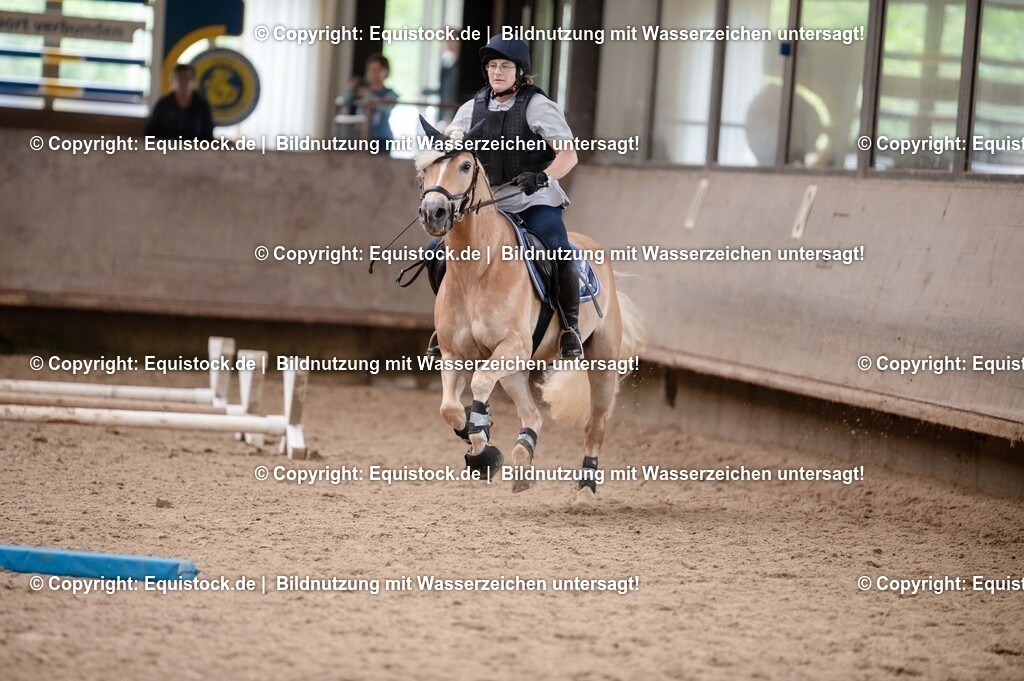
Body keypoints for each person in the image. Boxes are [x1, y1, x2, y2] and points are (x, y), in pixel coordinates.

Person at [425, 34, 583, 359]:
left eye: (505, 66)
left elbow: (569, 155)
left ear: (519, 71)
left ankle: (570, 329)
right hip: (489, 204)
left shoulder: (539, 106)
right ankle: (447, 326)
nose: (497, 72)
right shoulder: (472, 108)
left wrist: (542, 176)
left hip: (534, 200)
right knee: (434, 252)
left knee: (557, 248)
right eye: (492, 66)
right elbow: (453, 150)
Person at [145, 63, 214, 141]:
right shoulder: (163, 105)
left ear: (194, 81)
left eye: (187, 78)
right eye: (180, 78)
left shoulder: (202, 107)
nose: (184, 82)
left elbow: (208, 138)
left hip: (194, 151)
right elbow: (150, 135)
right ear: (172, 81)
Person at [343, 53, 398, 142]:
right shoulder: (360, 90)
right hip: (360, 137)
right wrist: (351, 88)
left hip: (382, 139)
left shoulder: (390, 94)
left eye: (377, 70)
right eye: (370, 70)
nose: (373, 73)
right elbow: (345, 102)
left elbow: (386, 108)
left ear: (386, 71)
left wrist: (366, 95)